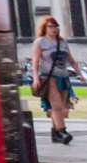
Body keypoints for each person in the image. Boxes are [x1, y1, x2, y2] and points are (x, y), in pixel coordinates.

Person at [33, 16, 77, 144]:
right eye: (51, 26)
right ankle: (62, 131)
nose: (54, 29)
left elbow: (71, 59)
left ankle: (55, 133)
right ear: (45, 28)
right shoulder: (40, 42)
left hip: (63, 76)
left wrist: (81, 74)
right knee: (56, 105)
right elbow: (35, 61)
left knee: (62, 107)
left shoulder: (62, 42)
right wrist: (35, 78)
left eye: (56, 26)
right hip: (48, 77)